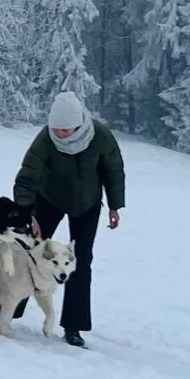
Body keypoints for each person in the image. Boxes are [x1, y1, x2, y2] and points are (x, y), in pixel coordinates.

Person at [11, 90, 125, 347]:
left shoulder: (100, 136)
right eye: (57, 129)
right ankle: (10, 310)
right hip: (49, 199)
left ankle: (73, 326)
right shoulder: (46, 138)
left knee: (80, 262)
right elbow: (28, 174)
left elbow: (114, 170)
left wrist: (115, 206)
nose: (61, 134)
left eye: (66, 130)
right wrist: (27, 212)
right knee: (32, 254)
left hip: (87, 204)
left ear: (79, 124)